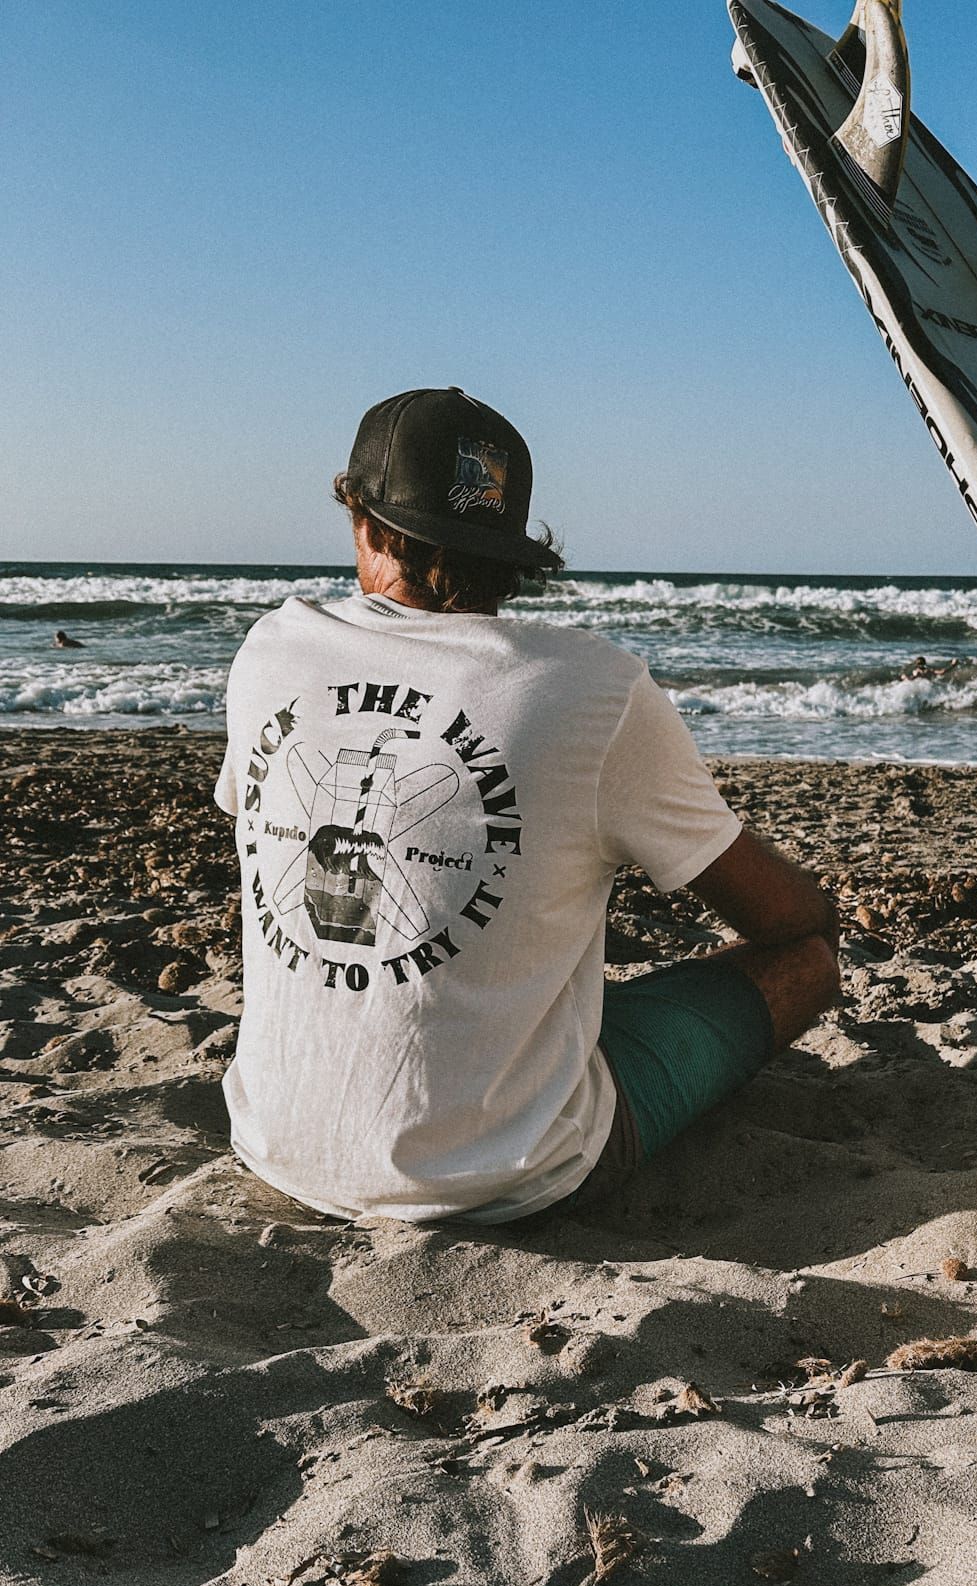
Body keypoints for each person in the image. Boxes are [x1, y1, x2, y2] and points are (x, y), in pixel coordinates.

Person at [214, 386, 839, 1222]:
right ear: (510, 547)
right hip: (510, 1177)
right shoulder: (587, 688)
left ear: (363, 521)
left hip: (277, 1145)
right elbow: (785, 918)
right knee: (808, 964)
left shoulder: (271, 652)